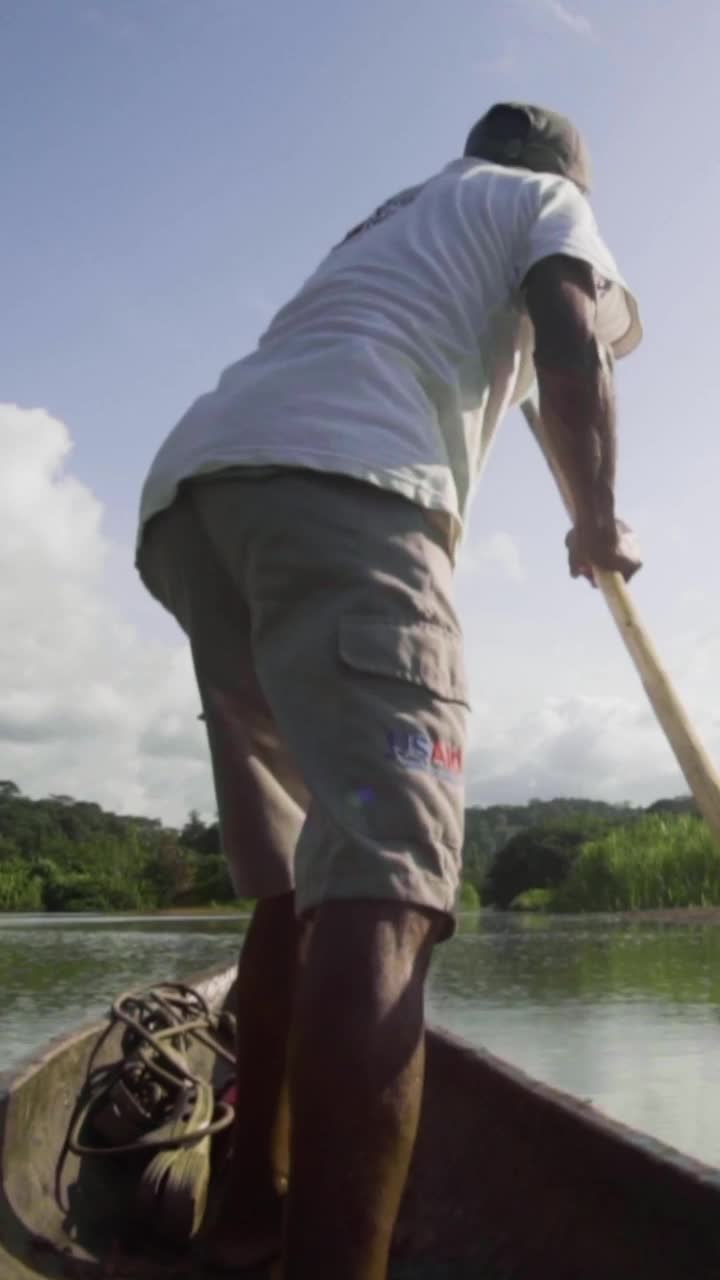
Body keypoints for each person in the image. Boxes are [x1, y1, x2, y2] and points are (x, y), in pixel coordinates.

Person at [136, 102, 643, 1279]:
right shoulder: (541, 201)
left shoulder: (395, 222)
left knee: (294, 889)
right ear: (564, 177)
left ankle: (252, 1213)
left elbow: (514, 364)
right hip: (345, 489)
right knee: (384, 893)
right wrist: (598, 516)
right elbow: (571, 329)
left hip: (200, 502)